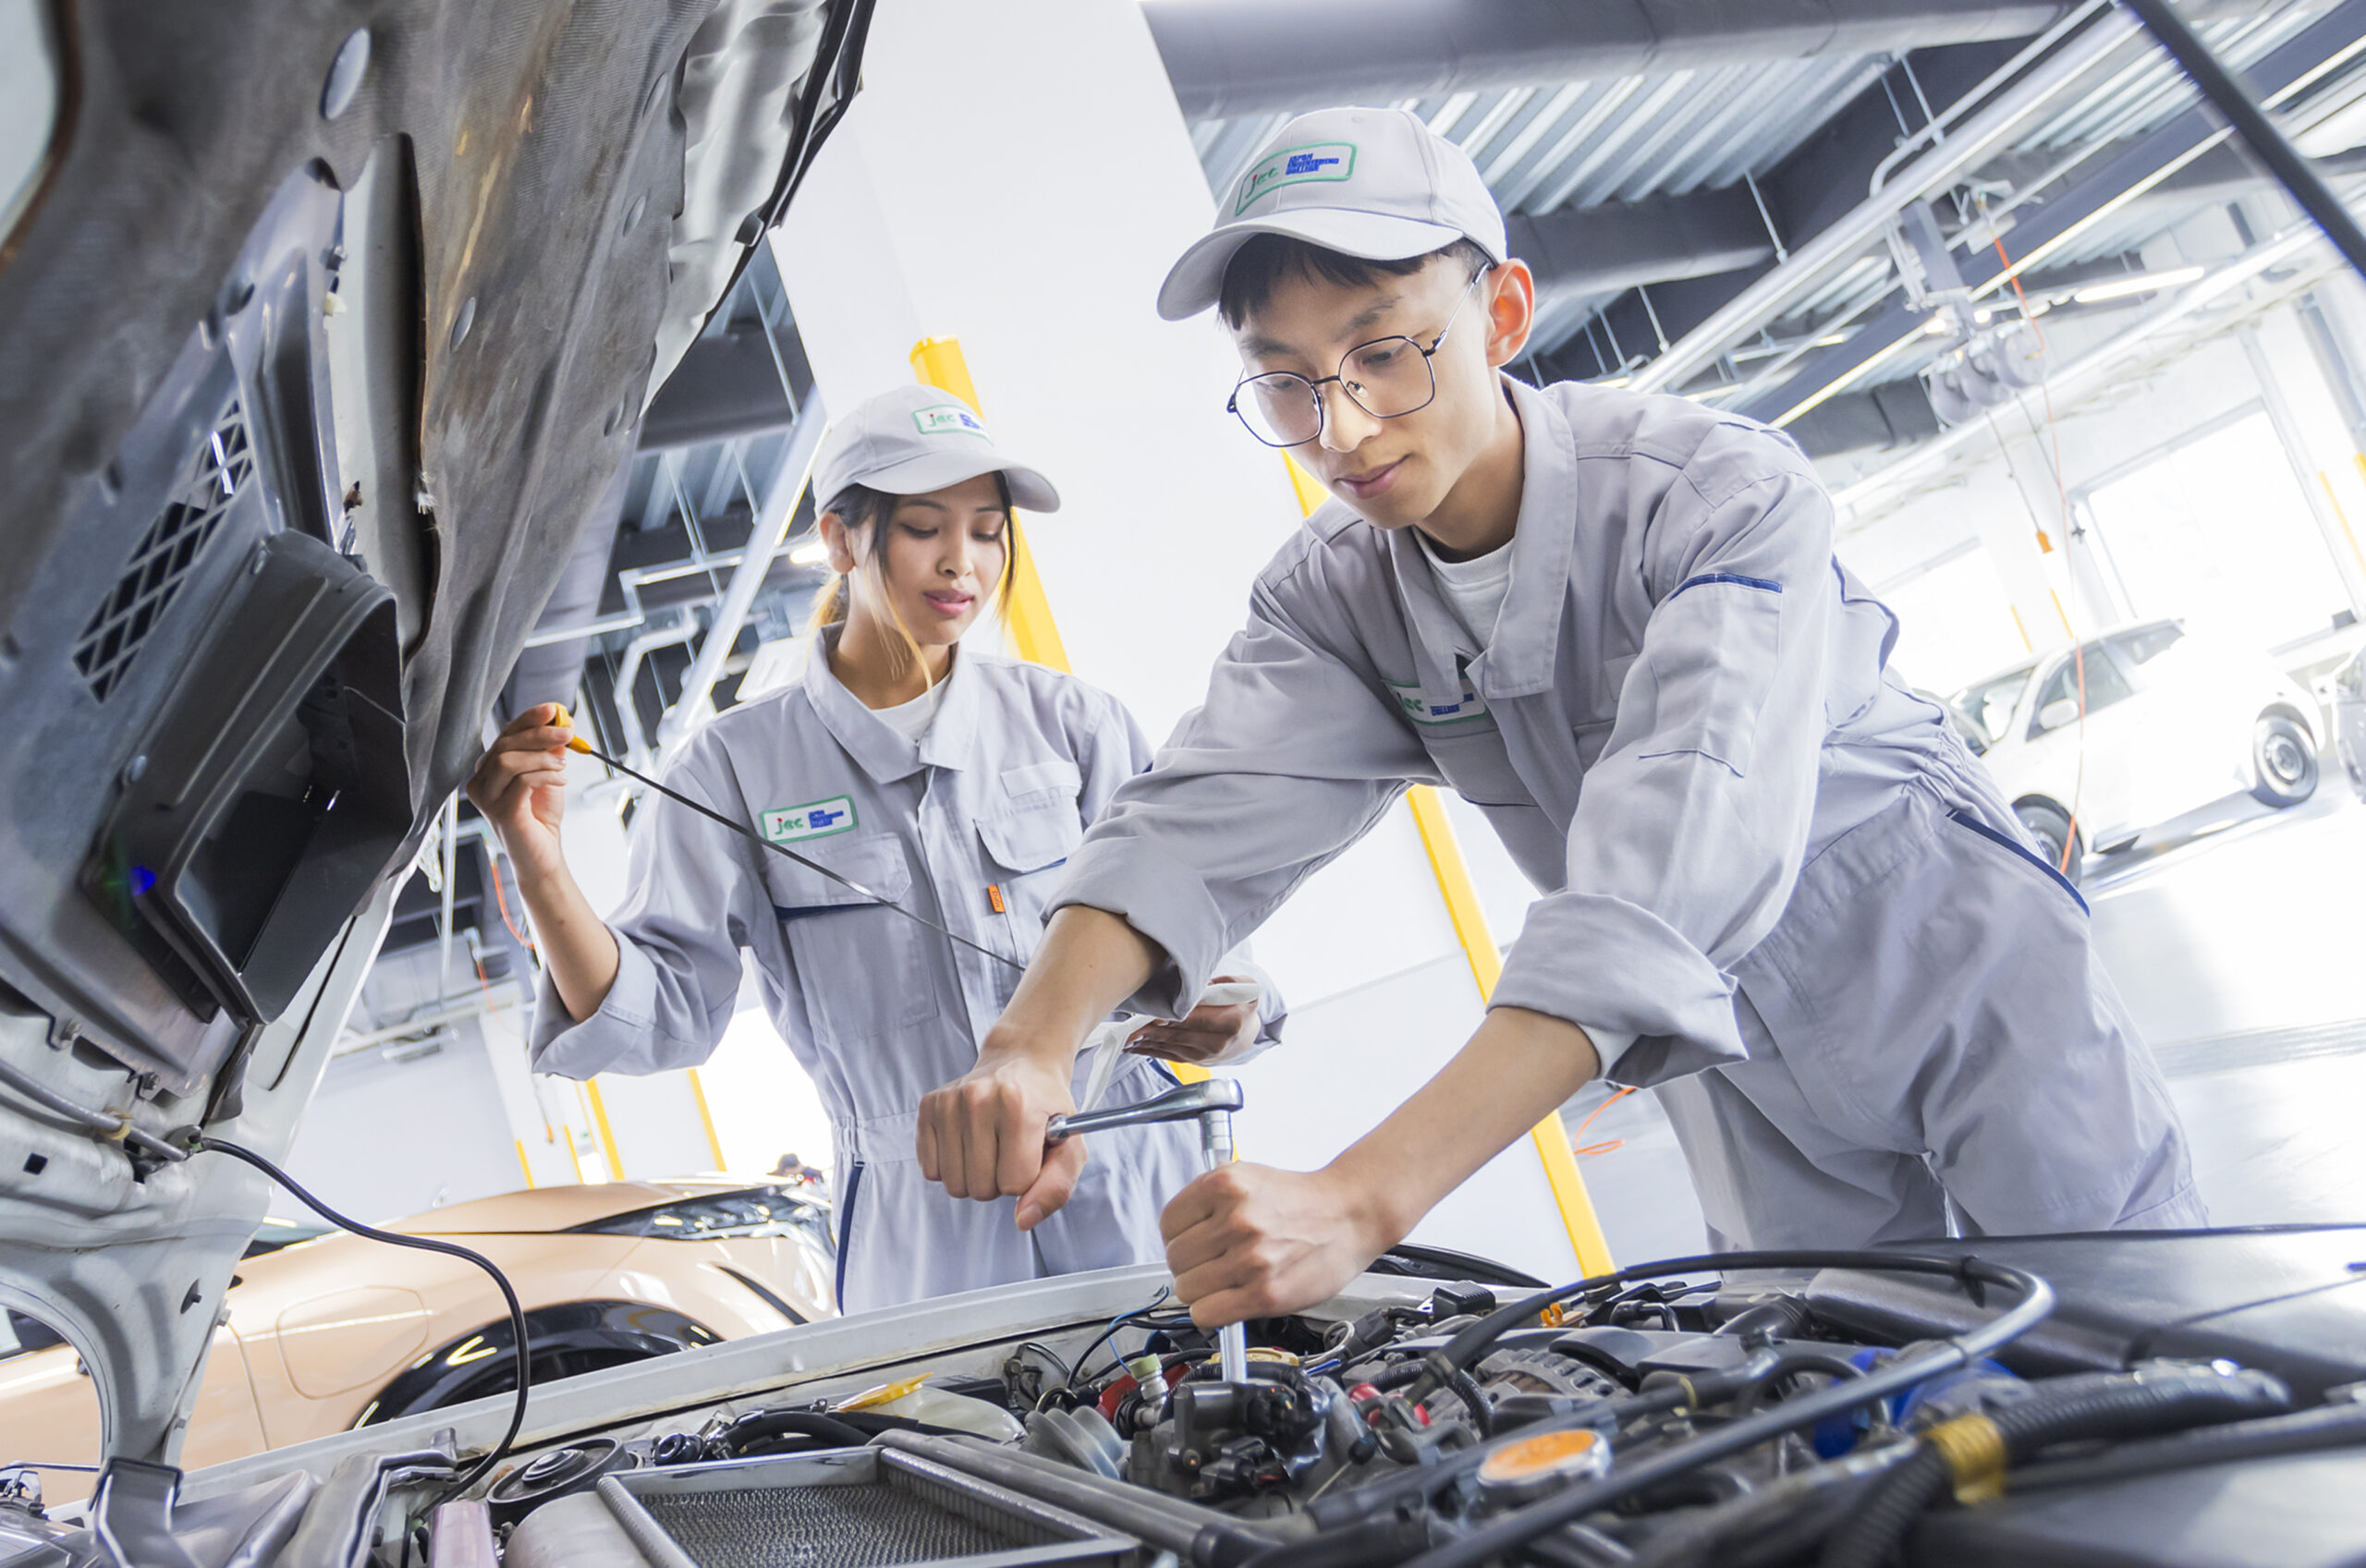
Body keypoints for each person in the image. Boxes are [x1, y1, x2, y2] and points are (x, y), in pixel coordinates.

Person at [915, 106, 2203, 1328]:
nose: (1343, 427)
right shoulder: (1336, 597)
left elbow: (1663, 875)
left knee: (2137, 1352)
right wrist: (1035, 1041)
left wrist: (1361, 1197)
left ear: (1504, 315)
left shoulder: (1721, 495)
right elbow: (1190, 823)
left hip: (1947, 961)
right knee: (1842, 1397)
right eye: (1289, 385)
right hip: (1729, 1056)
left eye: (1383, 352)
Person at [467, 384, 1278, 1313]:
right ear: (842, 538)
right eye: (926, 527)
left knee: (1214, 1433)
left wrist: (1231, 1008)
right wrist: (538, 861)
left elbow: (1220, 943)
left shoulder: (1073, 724)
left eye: (986, 531)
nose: (962, 563)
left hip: (1139, 1173)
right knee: (964, 1443)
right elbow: (659, 1009)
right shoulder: (732, 769)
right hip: (927, 1215)